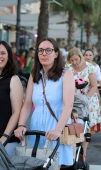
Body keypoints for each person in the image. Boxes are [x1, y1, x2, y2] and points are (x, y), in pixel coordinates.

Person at [14, 37, 75, 168]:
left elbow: (68, 105)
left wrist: (57, 130)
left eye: (48, 50)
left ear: (56, 54)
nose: (44, 54)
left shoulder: (66, 74)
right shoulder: (34, 74)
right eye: (40, 50)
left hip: (56, 124)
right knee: (35, 164)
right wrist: (20, 125)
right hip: (36, 125)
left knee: (54, 165)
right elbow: (27, 104)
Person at [66, 47, 100, 160]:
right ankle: (73, 149)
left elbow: (94, 86)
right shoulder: (68, 68)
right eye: (72, 60)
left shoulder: (89, 67)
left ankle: (83, 152)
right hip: (73, 100)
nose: (74, 62)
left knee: (86, 127)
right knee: (73, 124)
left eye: (76, 59)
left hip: (87, 100)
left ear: (81, 57)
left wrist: (85, 98)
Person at [84, 49, 101, 131]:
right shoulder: (81, 65)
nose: (88, 57)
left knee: (91, 113)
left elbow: (99, 80)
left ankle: (88, 131)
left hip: (93, 92)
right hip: (82, 91)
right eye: (86, 55)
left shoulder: (96, 67)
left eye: (90, 55)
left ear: (93, 56)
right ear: (83, 56)